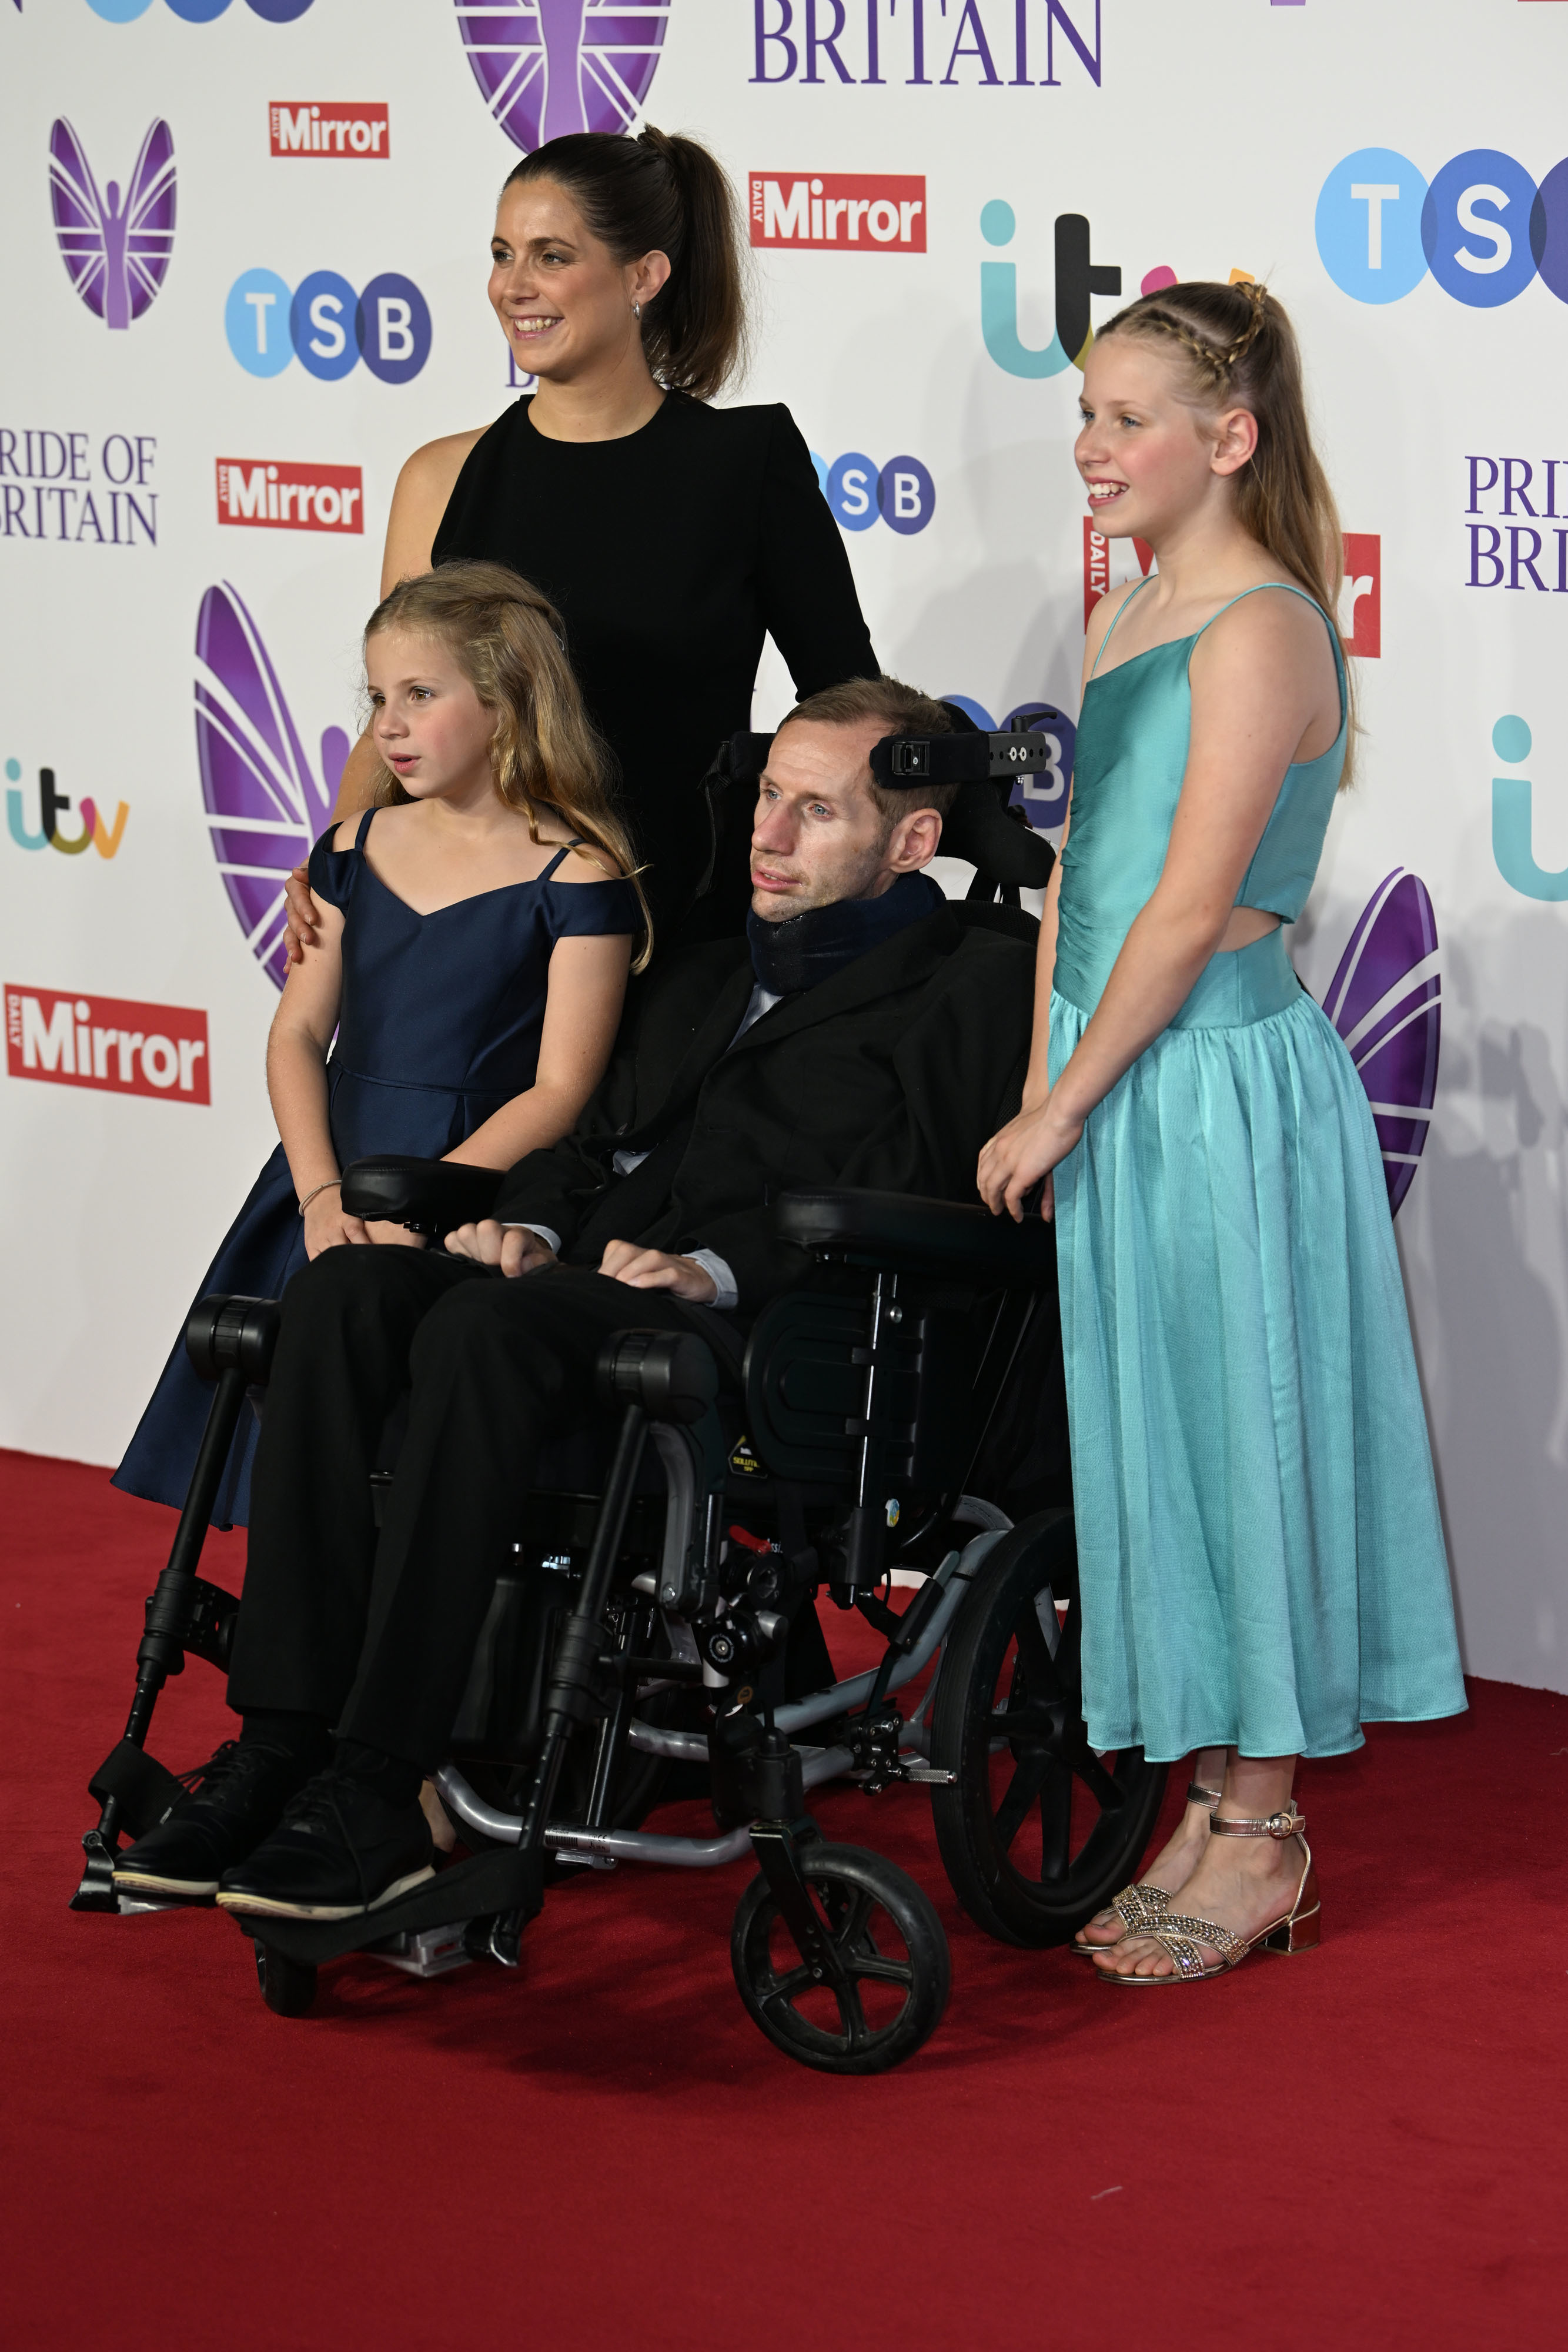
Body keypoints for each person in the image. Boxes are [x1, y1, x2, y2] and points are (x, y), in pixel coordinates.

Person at [109, 676, 1036, 1915]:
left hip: (768, 1337)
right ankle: (283, 1746)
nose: (765, 836)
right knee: (342, 1296)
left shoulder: (971, 987)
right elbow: (581, 1137)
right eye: (766, 798)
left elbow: (923, 1190)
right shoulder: (704, 968)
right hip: (569, 1291)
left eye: (812, 813)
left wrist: (709, 1271)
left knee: (489, 1327)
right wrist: (524, 1221)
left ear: (911, 840)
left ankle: (380, 1786)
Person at [977, 281, 1466, 1985]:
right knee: (1156, 1443)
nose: (1089, 448)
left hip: (1213, 1089)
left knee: (1239, 1442)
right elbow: (1077, 895)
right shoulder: (1123, 618)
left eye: (1126, 420)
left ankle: (1263, 1826)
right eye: (1087, 415)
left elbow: (1183, 916)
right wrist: (1049, 1068)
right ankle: (1206, 1791)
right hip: (1119, 1082)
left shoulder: (1258, 628)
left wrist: (1064, 1095)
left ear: (1227, 439)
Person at [113, 562, 643, 1531]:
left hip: (473, 1185)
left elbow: (560, 1091)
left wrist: (422, 1206)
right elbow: (299, 1032)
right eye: (377, 698)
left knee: (411, 1469)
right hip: (330, 1170)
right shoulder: (352, 846)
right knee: (290, 1462)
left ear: (505, 702)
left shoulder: (579, 874)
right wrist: (321, 1195)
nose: (387, 725)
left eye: (419, 695)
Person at [299, 126, 878, 944]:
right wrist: (334, 868)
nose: (514, 287)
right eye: (503, 255)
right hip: (464, 937)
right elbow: (394, 720)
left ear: (643, 275)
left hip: (673, 937)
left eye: (552, 257)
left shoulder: (743, 466)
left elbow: (846, 704)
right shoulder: (439, 479)